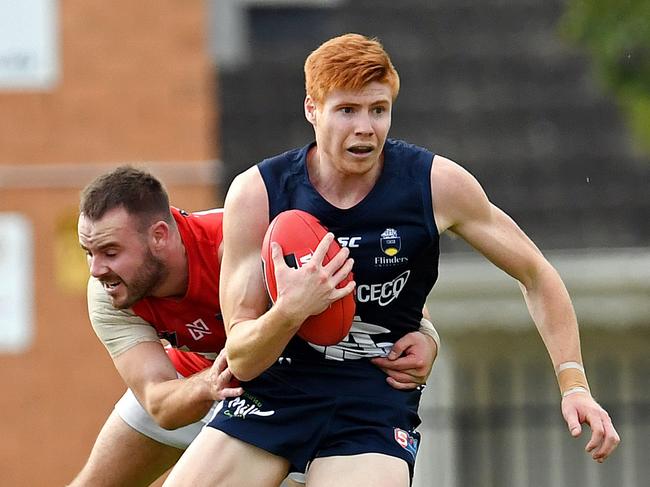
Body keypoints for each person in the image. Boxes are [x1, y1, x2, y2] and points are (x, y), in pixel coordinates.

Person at [162, 33, 621, 487]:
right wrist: (292, 308)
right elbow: (240, 358)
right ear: (312, 109)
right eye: (347, 110)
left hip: (371, 401)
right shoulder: (259, 192)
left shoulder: (434, 184)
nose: (365, 127)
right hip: (273, 392)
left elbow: (536, 274)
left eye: (378, 110)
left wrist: (573, 382)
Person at [68, 166, 440, 487]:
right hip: (201, 382)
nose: (97, 270)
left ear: (160, 236)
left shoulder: (243, 236)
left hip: (286, 393)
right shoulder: (108, 292)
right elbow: (160, 403)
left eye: (111, 252)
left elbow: (362, 277)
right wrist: (208, 386)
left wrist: (426, 334)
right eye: (90, 253)